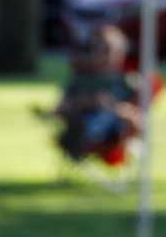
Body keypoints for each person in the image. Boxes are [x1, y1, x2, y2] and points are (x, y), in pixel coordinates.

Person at [54, 25, 143, 164]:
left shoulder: (129, 82)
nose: (109, 55)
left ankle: (88, 136)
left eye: (113, 50)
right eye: (103, 50)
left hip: (114, 132)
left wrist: (114, 108)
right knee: (81, 122)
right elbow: (60, 108)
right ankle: (82, 137)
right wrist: (88, 102)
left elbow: (137, 116)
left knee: (114, 119)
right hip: (81, 124)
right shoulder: (80, 80)